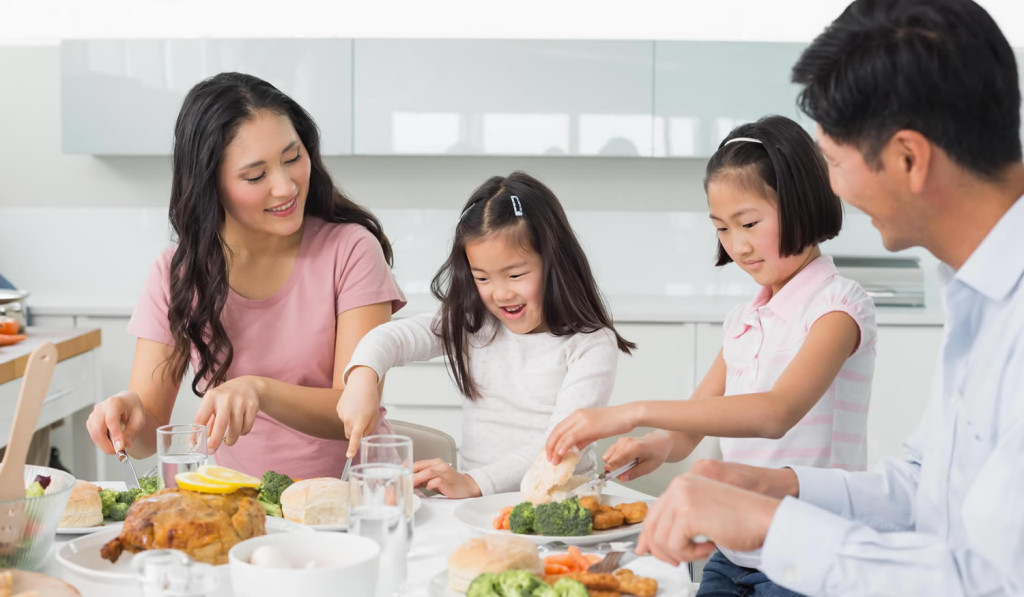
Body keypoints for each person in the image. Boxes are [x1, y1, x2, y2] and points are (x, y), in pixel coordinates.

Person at [630, 1, 1024, 595]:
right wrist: (776, 489)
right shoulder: (979, 300)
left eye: (835, 162)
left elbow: (993, 582)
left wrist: (772, 526)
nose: (832, 187)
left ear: (908, 159)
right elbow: (921, 486)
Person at [546, 115, 876, 596]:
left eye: (749, 223)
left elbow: (774, 413)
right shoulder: (744, 318)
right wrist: (655, 443)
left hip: (808, 551)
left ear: (802, 204)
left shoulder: (839, 306)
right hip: (733, 546)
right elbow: (691, 429)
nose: (737, 246)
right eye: (722, 228)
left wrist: (631, 412)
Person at [85, 72, 406, 480]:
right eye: (256, 176)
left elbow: (354, 407)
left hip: (353, 500)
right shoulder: (177, 274)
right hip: (242, 507)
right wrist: (123, 419)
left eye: (293, 158)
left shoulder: (351, 250)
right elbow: (148, 434)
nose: (285, 186)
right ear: (209, 185)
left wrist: (260, 390)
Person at [338, 171, 635, 498]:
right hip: (476, 504)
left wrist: (475, 482)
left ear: (555, 262)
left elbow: (558, 446)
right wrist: (363, 375)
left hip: (561, 500)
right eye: (482, 278)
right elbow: (392, 338)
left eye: (515, 274)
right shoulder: (473, 323)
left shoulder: (590, 344)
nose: (501, 293)